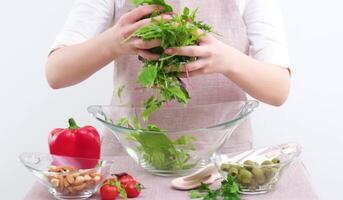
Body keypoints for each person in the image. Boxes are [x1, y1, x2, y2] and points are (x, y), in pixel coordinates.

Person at [46, 0, 291, 155]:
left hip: (222, 164)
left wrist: (228, 60)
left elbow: (278, 89)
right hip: (132, 160)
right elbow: (56, 72)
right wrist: (112, 43)